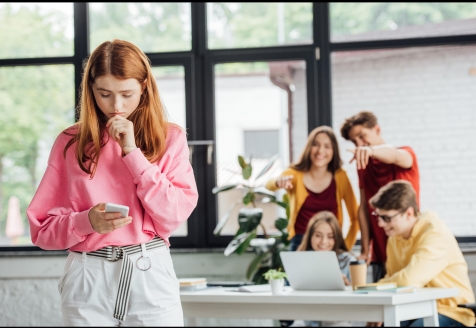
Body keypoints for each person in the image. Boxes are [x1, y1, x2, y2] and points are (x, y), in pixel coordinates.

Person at [26, 40, 198, 326]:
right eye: (104, 94)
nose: (116, 106)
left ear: (144, 88)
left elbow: (174, 214)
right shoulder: (70, 142)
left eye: (127, 94)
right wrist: (86, 222)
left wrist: (132, 153)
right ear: (90, 91)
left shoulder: (170, 138)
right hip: (87, 276)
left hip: (148, 270)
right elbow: (41, 229)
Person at [367, 180, 475, 327]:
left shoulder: (435, 233)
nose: (380, 224)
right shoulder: (394, 237)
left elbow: (407, 280)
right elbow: (393, 279)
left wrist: (370, 288)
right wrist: (381, 308)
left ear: (409, 213)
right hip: (414, 309)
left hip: (453, 311)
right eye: (378, 216)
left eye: (387, 218)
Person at [340, 111, 419, 282]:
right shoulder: (363, 165)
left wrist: (370, 150)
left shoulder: (405, 154)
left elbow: (395, 155)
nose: (359, 144)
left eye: (362, 136)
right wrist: (364, 250)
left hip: (408, 248)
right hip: (380, 252)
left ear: (377, 129)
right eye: (355, 141)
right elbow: (364, 207)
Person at [266, 126, 359, 252]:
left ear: (334, 150)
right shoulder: (295, 174)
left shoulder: (340, 176)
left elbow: (355, 217)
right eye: (315, 144)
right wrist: (278, 182)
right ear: (309, 147)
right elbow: (269, 185)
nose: (320, 151)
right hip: (300, 242)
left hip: (330, 244)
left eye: (327, 146)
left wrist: (345, 248)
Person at [292, 211, 355, 327]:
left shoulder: (348, 261)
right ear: (310, 236)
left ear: (337, 238)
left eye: (330, 237)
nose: (324, 242)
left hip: (337, 321)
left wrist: (347, 287)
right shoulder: (301, 259)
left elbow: (359, 300)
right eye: (318, 235)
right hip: (306, 320)